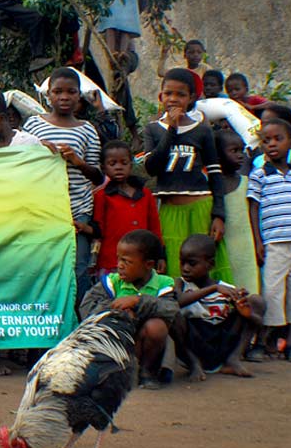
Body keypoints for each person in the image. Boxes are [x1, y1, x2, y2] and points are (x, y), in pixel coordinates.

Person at [22, 68, 103, 303]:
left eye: (71, 92)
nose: (64, 97)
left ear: (79, 95)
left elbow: (98, 176)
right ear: (48, 95)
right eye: (58, 91)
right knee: (44, 265)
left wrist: (78, 162)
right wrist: (37, 148)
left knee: (78, 268)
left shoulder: (87, 130)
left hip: (78, 211)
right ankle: (48, 313)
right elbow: (19, 161)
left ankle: (80, 316)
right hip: (42, 210)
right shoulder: (33, 125)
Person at [142, 68, 227, 280]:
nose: (173, 99)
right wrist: (172, 129)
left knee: (203, 265)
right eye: (168, 93)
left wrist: (219, 215)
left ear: (191, 98)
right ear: (160, 96)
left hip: (201, 208)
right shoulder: (153, 129)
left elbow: (215, 173)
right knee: (174, 268)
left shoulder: (202, 131)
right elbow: (152, 167)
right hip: (170, 210)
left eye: (180, 94)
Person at [248, 118, 291, 363]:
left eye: (278, 139)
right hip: (274, 242)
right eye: (266, 140)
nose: (272, 144)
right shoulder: (259, 175)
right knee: (273, 292)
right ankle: (262, 341)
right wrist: (258, 241)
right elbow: (253, 208)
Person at [80, 229, 178, 389]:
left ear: (148, 265)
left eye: (126, 261)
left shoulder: (163, 284)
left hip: (144, 344)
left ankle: (147, 373)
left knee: (157, 327)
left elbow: (171, 309)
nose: (119, 265)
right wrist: (117, 310)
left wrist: (137, 302)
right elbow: (87, 308)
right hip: (115, 343)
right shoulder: (112, 282)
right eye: (118, 259)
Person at [171, 234, 264, 380]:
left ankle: (233, 359)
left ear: (211, 264)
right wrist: (213, 289)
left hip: (221, 342)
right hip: (195, 342)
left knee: (257, 301)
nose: (185, 268)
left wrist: (246, 313)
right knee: (172, 315)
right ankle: (194, 364)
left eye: (192, 263)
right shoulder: (181, 284)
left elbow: (258, 323)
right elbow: (178, 302)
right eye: (182, 263)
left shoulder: (226, 289)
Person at [92, 140, 160, 279]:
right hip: (112, 261)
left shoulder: (145, 194)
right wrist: (83, 227)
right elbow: (99, 229)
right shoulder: (102, 196)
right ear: (103, 168)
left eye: (124, 163)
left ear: (131, 165)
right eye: (112, 164)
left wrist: (160, 256)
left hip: (142, 261)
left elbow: (154, 227)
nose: (118, 167)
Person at [215, 130, 258, 294]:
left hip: (246, 249)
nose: (240, 155)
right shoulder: (208, 186)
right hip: (223, 249)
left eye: (242, 150)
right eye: (234, 151)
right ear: (217, 155)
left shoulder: (247, 183)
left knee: (249, 290)